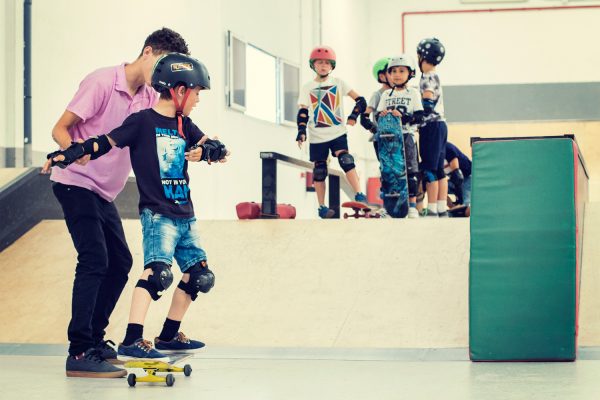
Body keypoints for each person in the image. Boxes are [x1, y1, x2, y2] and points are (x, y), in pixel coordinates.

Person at [44, 53, 228, 362]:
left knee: (199, 277)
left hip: (186, 213)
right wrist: (69, 152)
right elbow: (103, 142)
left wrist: (205, 152)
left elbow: (216, 147)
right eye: (196, 93)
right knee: (157, 274)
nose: (197, 99)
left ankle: (169, 335)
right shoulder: (142, 121)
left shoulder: (185, 124)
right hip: (157, 213)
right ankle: (132, 338)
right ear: (179, 90)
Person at [296, 46, 367, 218]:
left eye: (327, 63)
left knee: (346, 160)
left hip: (337, 133)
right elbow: (303, 112)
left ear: (332, 66)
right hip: (317, 136)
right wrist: (301, 131)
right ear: (313, 65)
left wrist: (353, 116)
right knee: (319, 171)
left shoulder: (338, 83)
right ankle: (322, 207)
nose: (323, 66)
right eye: (319, 63)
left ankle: (359, 193)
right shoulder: (307, 87)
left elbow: (361, 100)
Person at [375, 55, 422, 218]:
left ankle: (412, 206)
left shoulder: (413, 93)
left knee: (410, 171)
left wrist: (402, 116)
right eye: (393, 71)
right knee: (388, 171)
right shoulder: (386, 94)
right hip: (389, 139)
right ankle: (389, 207)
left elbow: (420, 117)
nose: (397, 74)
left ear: (410, 74)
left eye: (402, 71)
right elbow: (376, 116)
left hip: (407, 136)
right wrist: (381, 115)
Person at [417, 37, 449, 217]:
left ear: (422, 56)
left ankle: (432, 209)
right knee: (438, 169)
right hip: (441, 125)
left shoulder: (427, 77)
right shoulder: (436, 76)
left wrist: (414, 114)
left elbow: (428, 102)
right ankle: (440, 208)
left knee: (429, 168)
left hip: (431, 125)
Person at [360, 57, 391, 161]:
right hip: (382, 138)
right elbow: (364, 118)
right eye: (391, 72)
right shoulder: (378, 95)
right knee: (386, 169)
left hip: (397, 137)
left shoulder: (399, 94)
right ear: (382, 76)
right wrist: (374, 129)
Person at [445, 141, 472, 215]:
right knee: (435, 185)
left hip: (468, 177)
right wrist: (451, 205)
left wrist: (460, 202)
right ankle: (454, 209)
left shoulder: (447, 148)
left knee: (465, 208)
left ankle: (465, 205)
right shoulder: (434, 154)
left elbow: (458, 176)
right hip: (453, 181)